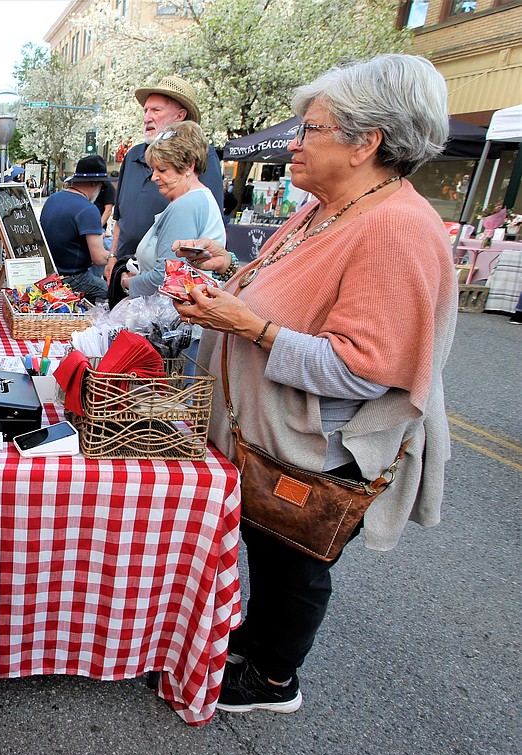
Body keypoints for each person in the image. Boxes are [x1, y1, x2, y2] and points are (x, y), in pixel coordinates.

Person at [171, 53, 455, 714]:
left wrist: (251, 326)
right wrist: (234, 269)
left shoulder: (396, 227)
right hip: (271, 441)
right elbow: (302, 295)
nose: (294, 144)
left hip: (316, 454)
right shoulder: (333, 206)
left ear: (366, 143)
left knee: (295, 561)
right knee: (269, 552)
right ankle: (258, 640)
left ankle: (274, 678)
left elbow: (362, 367)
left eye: (312, 130)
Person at [105, 76, 223, 303]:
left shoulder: (197, 175)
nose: (147, 117)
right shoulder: (132, 156)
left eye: (156, 110)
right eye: (145, 110)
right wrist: (113, 259)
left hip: (161, 297)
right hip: (135, 277)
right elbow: (120, 217)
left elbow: (170, 272)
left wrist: (128, 282)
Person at [38, 154, 115, 303]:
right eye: (102, 185)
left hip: (49, 274)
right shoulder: (88, 209)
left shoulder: (53, 199)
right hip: (73, 278)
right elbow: (98, 258)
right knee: (115, 291)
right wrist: (117, 257)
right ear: (95, 183)